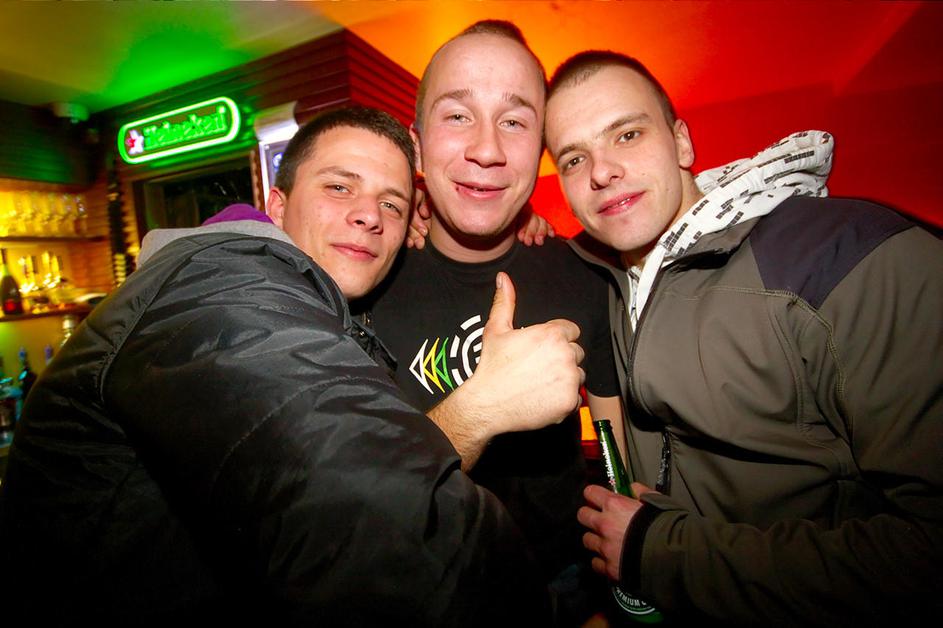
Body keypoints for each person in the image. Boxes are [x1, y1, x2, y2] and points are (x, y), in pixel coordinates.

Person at [0, 106, 585, 625]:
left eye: (392, 203)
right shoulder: (223, 286)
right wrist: (483, 406)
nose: (369, 216)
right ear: (276, 207)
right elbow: (379, 531)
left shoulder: (314, 307)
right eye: (339, 187)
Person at [543, 50, 943, 625]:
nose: (601, 172)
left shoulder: (849, 259)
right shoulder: (600, 271)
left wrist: (662, 552)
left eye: (627, 134)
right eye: (574, 158)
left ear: (681, 142)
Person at [354, 20, 624, 626]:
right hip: (413, 596)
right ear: (416, 143)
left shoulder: (584, 274)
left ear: (541, 146)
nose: (486, 149)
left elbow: (618, 459)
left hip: (567, 587)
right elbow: (342, 506)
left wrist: (616, 598)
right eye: (457, 115)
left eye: (515, 121)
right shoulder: (361, 284)